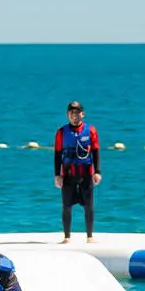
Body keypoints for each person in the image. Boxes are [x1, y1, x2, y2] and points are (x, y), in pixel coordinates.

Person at [53, 101, 102, 243]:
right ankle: (66, 237)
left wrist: (97, 172)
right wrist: (57, 175)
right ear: (68, 115)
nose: (74, 116)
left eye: (77, 113)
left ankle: (90, 236)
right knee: (66, 206)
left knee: (89, 206)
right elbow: (57, 154)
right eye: (71, 113)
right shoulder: (61, 132)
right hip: (68, 175)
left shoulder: (91, 130)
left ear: (82, 114)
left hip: (86, 174)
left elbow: (96, 152)